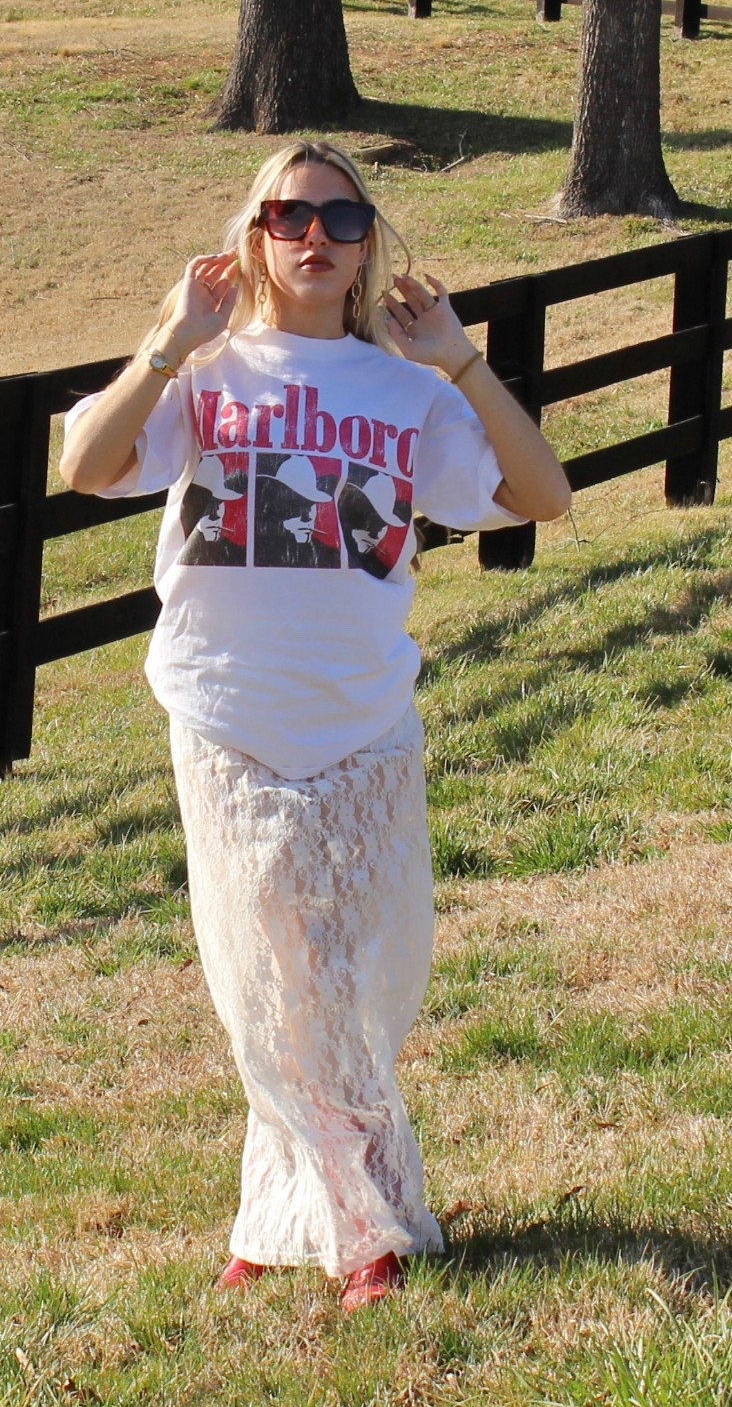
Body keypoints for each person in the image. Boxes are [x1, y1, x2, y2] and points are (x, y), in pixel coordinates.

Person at [59, 141, 571, 1310]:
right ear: (255, 236)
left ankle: (286, 1218)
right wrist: (166, 338)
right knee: (264, 982)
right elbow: (86, 466)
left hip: (362, 721)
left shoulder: (408, 396)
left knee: (345, 982)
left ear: (365, 241)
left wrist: (461, 362)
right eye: (289, 212)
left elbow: (543, 493)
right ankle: (362, 1230)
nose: (316, 232)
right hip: (229, 715)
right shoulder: (207, 378)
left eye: (341, 213)